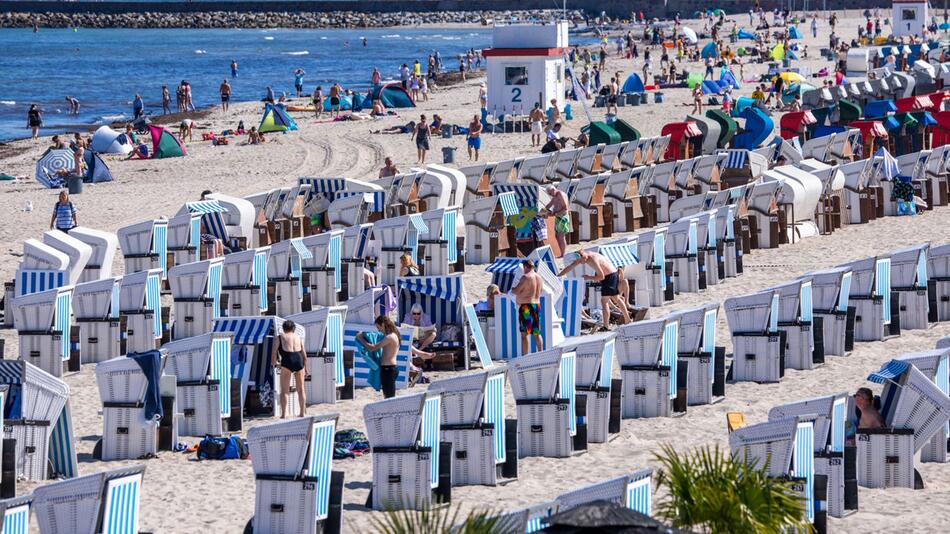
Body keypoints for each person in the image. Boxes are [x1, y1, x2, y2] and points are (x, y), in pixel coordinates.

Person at [559, 250, 631, 329]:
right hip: (611, 275)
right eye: (579, 261)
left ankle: (606, 326)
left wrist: (589, 277)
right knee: (616, 298)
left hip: (609, 276)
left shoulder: (592, 259)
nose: (581, 263)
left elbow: (601, 276)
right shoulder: (582, 256)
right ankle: (627, 319)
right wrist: (558, 276)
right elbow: (570, 267)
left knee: (605, 301)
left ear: (584, 257)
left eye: (581, 261)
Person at [356, 315, 401, 398]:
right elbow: (376, 337)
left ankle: (390, 410)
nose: (378, 330)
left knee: (389, 397)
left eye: (378, 327)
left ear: (383, 324)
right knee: (388, 395)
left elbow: (372, 348)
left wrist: (360, 338)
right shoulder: (393, 335)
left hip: (389, 369)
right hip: (389, 369)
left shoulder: (389, 337)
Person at [271, 320, 306, 418]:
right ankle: (302, 413)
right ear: (294, 328)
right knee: (301, 389)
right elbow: (304, 354)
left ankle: (283, 414)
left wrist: (273, 363)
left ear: (283, 328)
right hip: (299, 360)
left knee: (284, 390)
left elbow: (274, 352)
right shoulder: (298, 337)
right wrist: (306, 368)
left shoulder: (280, 337)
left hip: (287, 360)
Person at [511, 260, 544, 354]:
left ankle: (526, 356)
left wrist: (512, 289)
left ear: (525, 267)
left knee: (525, 334)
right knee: (537, 333)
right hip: (536, 306)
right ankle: (541, 354)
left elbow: (516, 291)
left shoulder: (525, 277)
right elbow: (540, 292)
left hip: (526, 307)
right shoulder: (539, 278)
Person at [542, 185, 571, 256]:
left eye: (550, 193)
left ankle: (563, 254)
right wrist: (543, 211)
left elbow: (565, 207)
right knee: (557, 236)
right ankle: (562, 253)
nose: (550, 195)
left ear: (553, 190)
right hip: (558, 217)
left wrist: (556, 213)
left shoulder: (560, 194)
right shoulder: (555, 196)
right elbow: (549, 205)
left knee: (561, 236)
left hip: (562, 217)